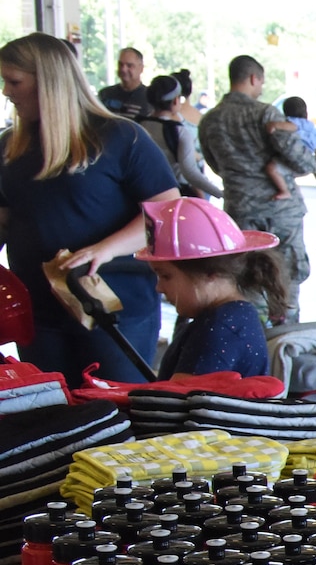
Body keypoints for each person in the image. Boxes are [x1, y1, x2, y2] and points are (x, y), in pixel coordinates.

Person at [0, 33, 179, 383]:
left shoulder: (119, 136)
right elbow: (5, 217)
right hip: (39, 311)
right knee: (53, 416)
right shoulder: (9, 146)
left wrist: (104, 249)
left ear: (48, 81)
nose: (6, 92)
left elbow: (165, 210)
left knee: (120, 413)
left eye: (14, 81)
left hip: (114, 308)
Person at [197, 54, 316, 324]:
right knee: (287, 280)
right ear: (254, 78)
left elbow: (215, 165)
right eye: (261, 82)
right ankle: (284, 345)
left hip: (240, 212)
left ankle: (253, 341)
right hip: (281, 212)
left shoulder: (210, 121)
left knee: (246, 279)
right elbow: (302, 160)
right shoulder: (264, 114)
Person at [140, 196, 283, 378]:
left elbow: (178, 402)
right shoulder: (234, 316)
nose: (159, 288)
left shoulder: (217, 330)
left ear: (210, 273)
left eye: (166, 276)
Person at [140, 72, 223, 199]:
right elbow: (190, 172)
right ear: (175, 101)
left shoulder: (138, 125)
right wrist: (219, 193)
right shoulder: (178, 131)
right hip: (175, 193)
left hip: (143, 192)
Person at [98, 46, 150, 120]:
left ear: (141, 68)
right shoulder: (105, 94)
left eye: (129, 66)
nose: (123, 69)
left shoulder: (150, 97)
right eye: (120, 64)